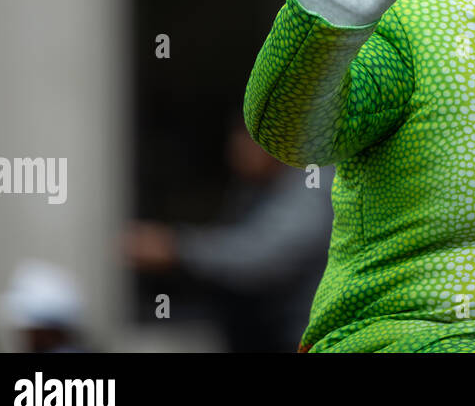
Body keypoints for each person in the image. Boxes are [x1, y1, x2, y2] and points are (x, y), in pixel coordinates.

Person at [124, 119, 332, 351]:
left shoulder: (311, 180)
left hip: (304, 338)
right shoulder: (252, 188)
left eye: (248, 141)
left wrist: (177, 248)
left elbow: (262, 259)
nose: (236, 152)